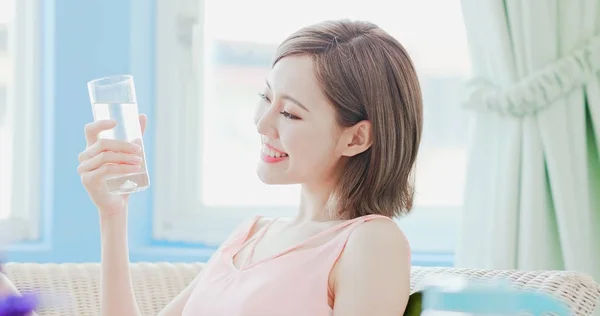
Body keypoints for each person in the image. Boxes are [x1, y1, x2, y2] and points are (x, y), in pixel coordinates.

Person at [0, 18, 422, 316]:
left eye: (290, 114)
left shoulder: (370, 242)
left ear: (356, 137)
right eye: (265, 97)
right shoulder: (250, 235)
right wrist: (113, 215)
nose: (261, 123)